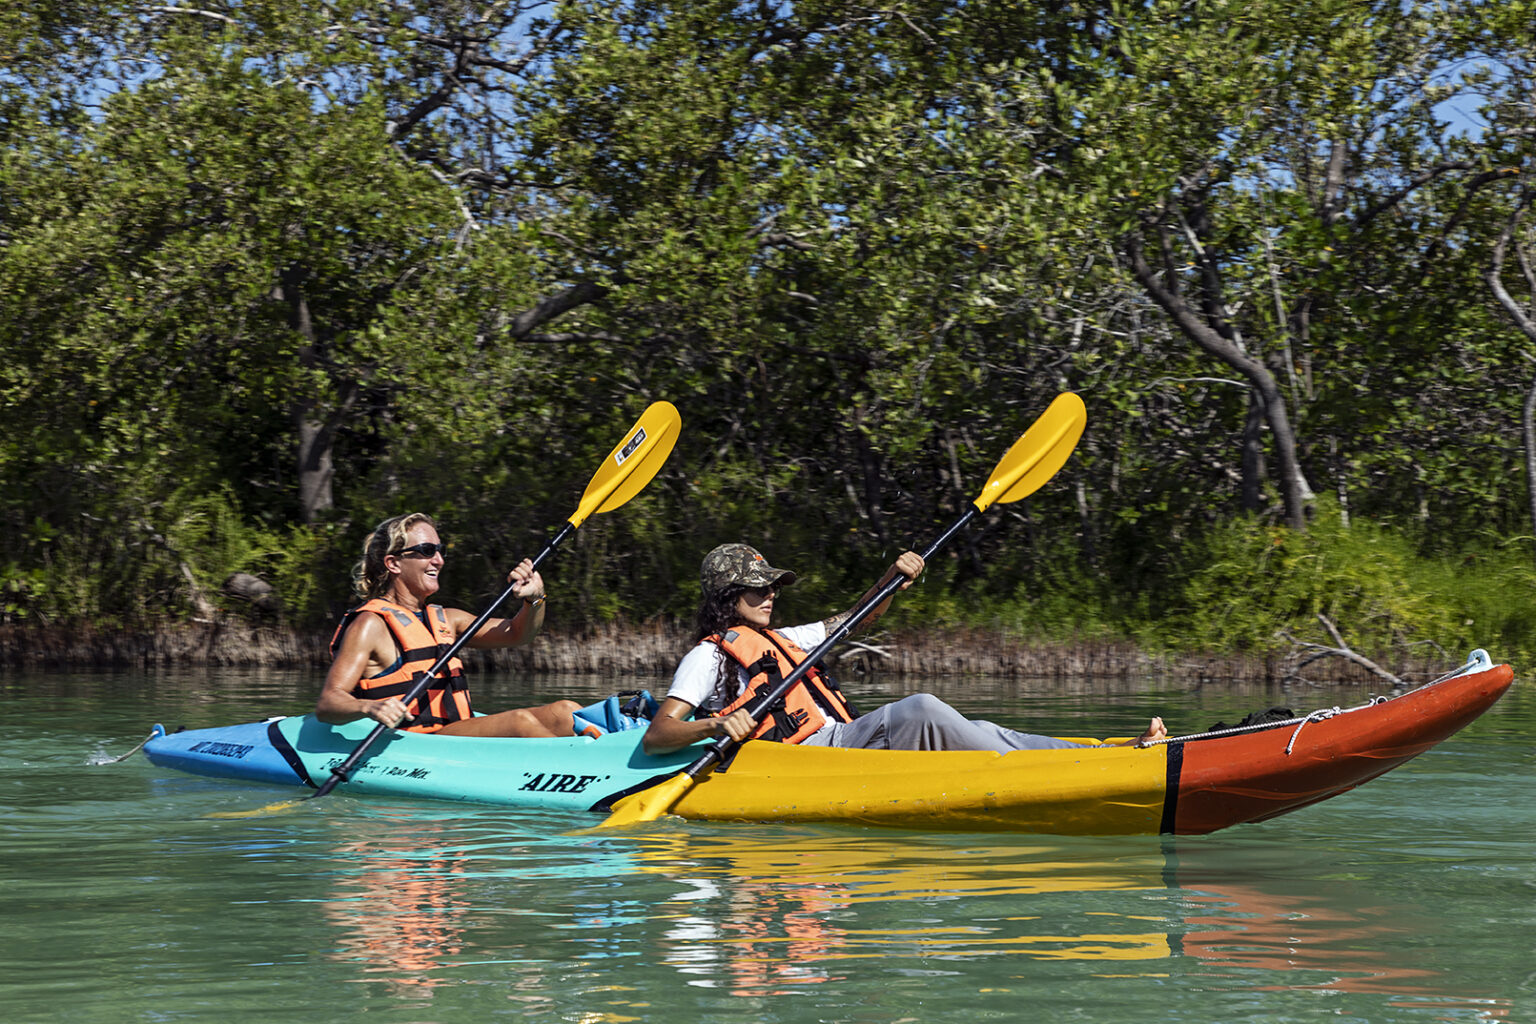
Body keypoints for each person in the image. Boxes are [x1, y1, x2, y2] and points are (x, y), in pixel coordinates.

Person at [642, 543, 1165, 755]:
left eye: (773, 586)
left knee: (981, 729)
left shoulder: (782, 639)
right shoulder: (707, 657)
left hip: (838, 743)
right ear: (729, 596)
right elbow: (659, 735)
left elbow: (854, 619)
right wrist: (716, 725)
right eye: (760, 588)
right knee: (919, 710)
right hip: (806, 760)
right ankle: (1059, 772)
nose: (772, 594)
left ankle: (1107, 753)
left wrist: (890, 579)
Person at [317, 512, 580, 737]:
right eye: (426, 551)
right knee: (518, 722)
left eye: (440, 551)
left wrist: (535, 600)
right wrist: (369, 708)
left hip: (455, 733)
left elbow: (517, 633)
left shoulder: (449, 619)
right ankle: (584, 771)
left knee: (566, 712)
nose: (439, 560)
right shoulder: (370, 624)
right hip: (415, 741)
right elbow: (329, 701)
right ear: (393, 563)